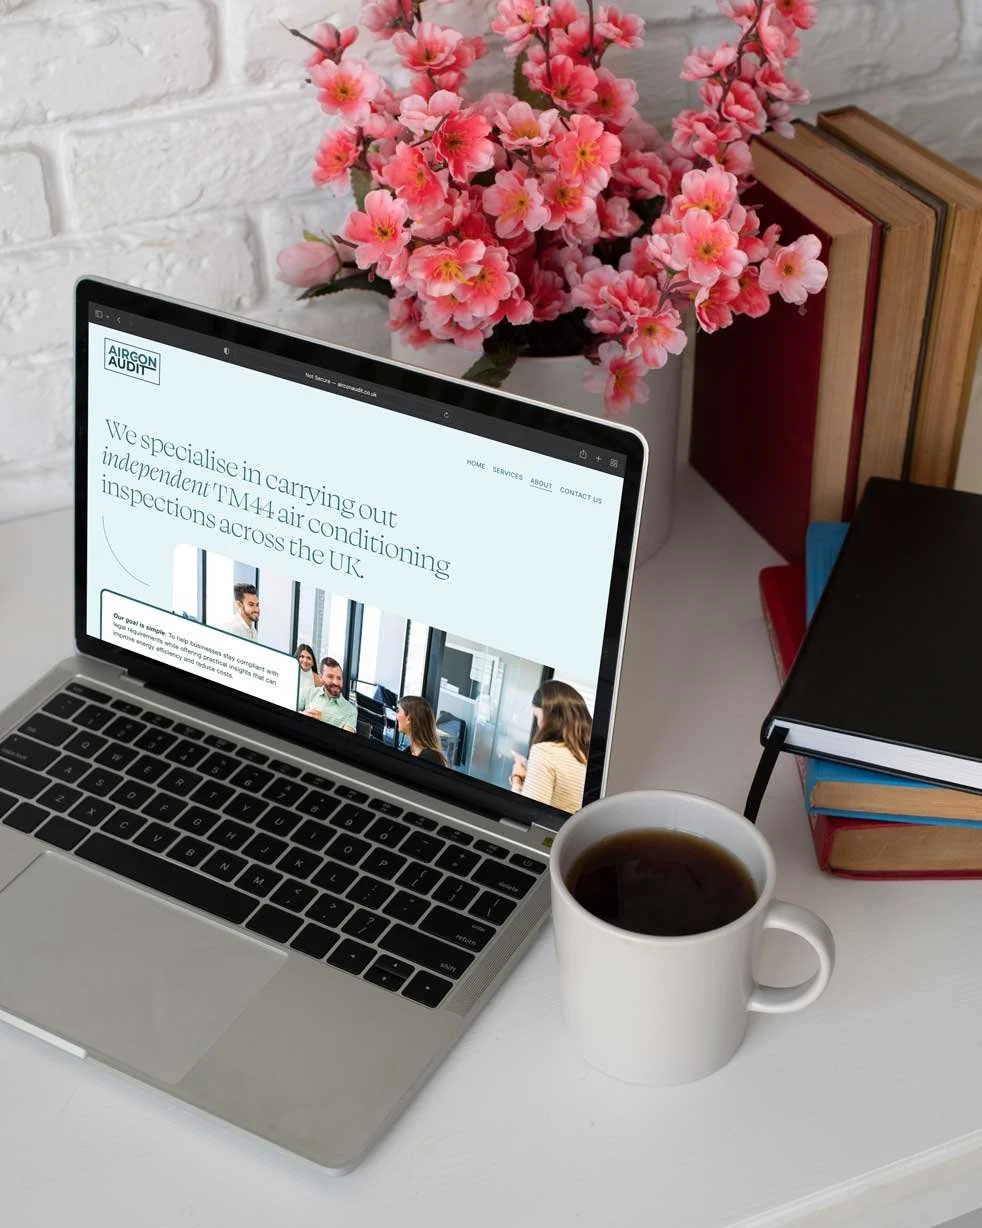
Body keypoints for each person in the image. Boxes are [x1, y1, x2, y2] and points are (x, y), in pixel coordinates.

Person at [510, 680, 591, 814]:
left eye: (537, 716)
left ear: (549, 715)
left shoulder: (544, 753)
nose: (539, 724)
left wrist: (517, 778)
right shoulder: (586, 754)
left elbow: (525, 814)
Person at [299, 656, 357, 731]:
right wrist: (303, 716)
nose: (336, 682)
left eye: (339, 678)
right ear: (321, 677)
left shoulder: (351, 710)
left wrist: (321, 724)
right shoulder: (307, 693)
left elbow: (344, 741)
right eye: (330, 677)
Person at [396, 695, 448, 766]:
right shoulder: (409, 751)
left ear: (409, 719)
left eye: (398, 711)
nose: (397, 717)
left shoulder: (431, 758)